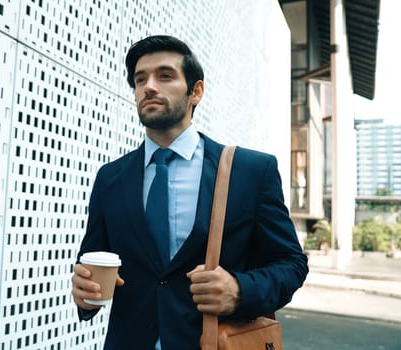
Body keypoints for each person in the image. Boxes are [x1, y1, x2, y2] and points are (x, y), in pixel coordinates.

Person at [71, 35, 308, 350]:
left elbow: (290, 263)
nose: (149, 86)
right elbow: (94, 262)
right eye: (140, 80)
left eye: (165, 76)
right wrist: (85, 293)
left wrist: (239, 289)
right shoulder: (110, 178)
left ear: (196, 91)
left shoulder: (251, 171)